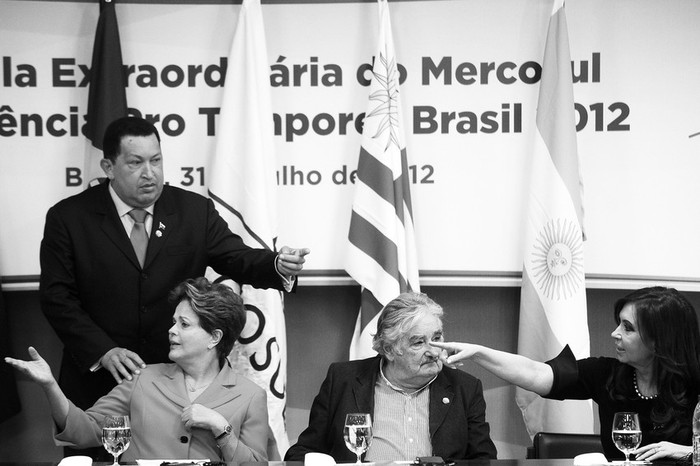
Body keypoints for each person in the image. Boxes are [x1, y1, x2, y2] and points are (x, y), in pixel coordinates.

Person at [40, 116, 309, 434]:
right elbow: (57, 298)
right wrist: (103, 350)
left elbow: (236, 257)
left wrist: (277, 265)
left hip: (175, 380)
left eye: (156, 160)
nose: (149, 173)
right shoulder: (69, 218)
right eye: (136, 163)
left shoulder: (193, 211)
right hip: (99, 380)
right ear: (109, 167)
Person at [6, 277, 269, 461]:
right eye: (173, 322)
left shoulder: (250, 395)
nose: (171, 330)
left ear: (214, 337)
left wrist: (221, 428)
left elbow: (256, 464)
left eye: (184, 325)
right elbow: (84, 430)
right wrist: (50, 385)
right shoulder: (143, 379)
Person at [432, 286, 700, 461]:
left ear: (659, 340)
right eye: (618, 323)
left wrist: (690, 452)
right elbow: (536, 374)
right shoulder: (606, 374)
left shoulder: (695, 383)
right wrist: (478, 352)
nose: (614, 333)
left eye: (628, 328)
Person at [285, 292, 497, 462]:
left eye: (437, 338)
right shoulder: (343, 380)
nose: (433, 351)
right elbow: (301, 453)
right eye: (418, 342)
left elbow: (484, 460)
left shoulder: (465, 388)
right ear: (389, 349)